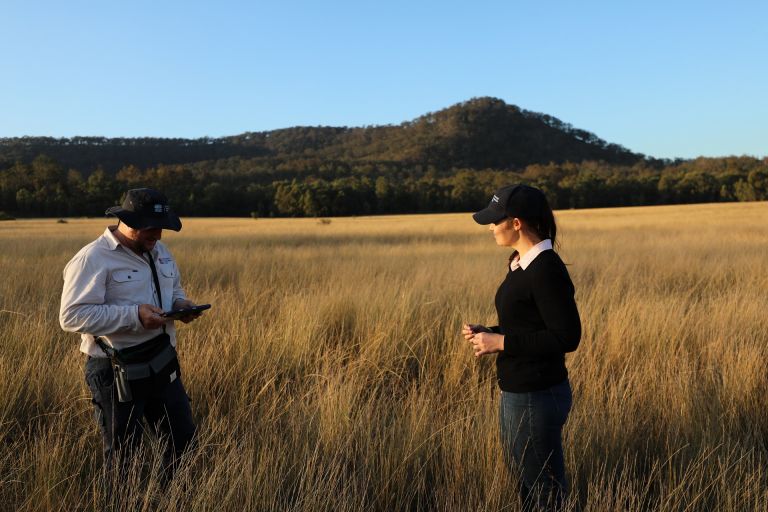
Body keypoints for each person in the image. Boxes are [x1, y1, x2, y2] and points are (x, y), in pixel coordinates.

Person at [60, 188, 202, 484]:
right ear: (128, 222)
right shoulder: (92, 258)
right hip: (115, 370)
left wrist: (181, 305)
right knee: (124, 457)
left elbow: (173, 289)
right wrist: (134, 315)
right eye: (152, 229)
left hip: (163, 361)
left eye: (162, 228)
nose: (159, 237)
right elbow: (71, 316)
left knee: (183, 441)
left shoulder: (159, 251)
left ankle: (171, 500)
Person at [462, 184, 581, 512]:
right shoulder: (520, 263)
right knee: (529, 484)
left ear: (516, 223)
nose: (490, 227)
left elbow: (566, 336)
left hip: (537, 395)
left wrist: (501, 342)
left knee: (544, 490)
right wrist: (492, 332)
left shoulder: (545, 269)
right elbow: (531, 325)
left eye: (495, 220)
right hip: (519, 391)